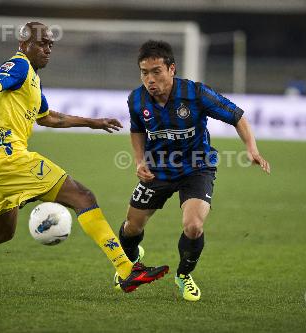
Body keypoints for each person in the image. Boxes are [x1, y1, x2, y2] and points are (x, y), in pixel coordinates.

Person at [0, 23, 168, 293]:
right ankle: (127, 269)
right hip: (9, 159)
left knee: (1, 232)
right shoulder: (19, 65)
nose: (47, 49)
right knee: (83, 197)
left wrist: (92, 122)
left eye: (51, 44)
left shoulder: (31, 78)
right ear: (23, 45)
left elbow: (50, 117)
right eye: (41, 43)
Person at [115, 40, 270, 301]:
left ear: (171, 69)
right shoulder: (136, 99)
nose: (150, 79)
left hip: (197, 166)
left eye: (156, 71)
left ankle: (184, 275)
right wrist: (139, 162)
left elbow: (237, 115)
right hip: (158, 170)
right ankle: (131, 265)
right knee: (131, 228)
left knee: (194, 226)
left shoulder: (196, 94)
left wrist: (252, 149)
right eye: (144, 72)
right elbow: (137, 129)